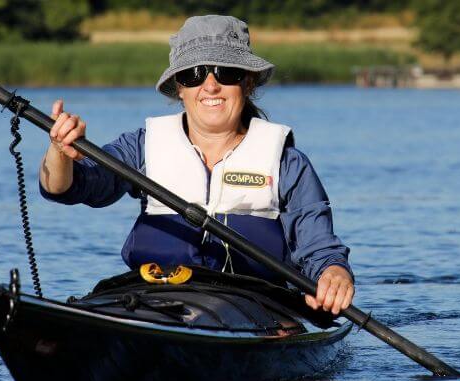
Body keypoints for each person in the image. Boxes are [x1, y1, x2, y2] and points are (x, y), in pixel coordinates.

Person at [39, 15, 354, 315]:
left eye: (225, 72)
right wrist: (60, 150)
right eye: (194, 74)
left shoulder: (287, 163)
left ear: (247, 82)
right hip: (153, 298)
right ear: (180, 87)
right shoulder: (142, 146)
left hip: (257, 309)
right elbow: (71, 187)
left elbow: (319, 249)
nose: (210, 86)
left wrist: (334, 274)